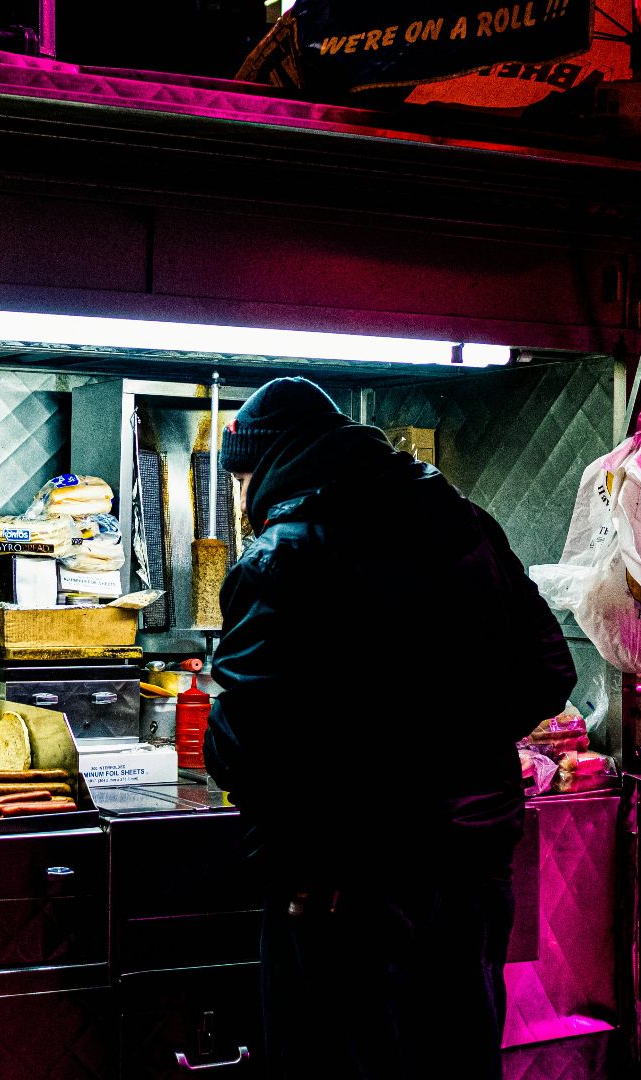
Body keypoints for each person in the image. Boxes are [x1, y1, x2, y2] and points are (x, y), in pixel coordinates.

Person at [205, 376, 577, 1078]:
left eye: (244, 475)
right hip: (470, 862)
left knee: (340, 1057)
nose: (245, 496)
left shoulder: (284, 553)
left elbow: (250, 740)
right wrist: (449, 739)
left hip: (346, 881)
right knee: (455, 1054)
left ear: (272, 461)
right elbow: (547, 672)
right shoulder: (463, 522)